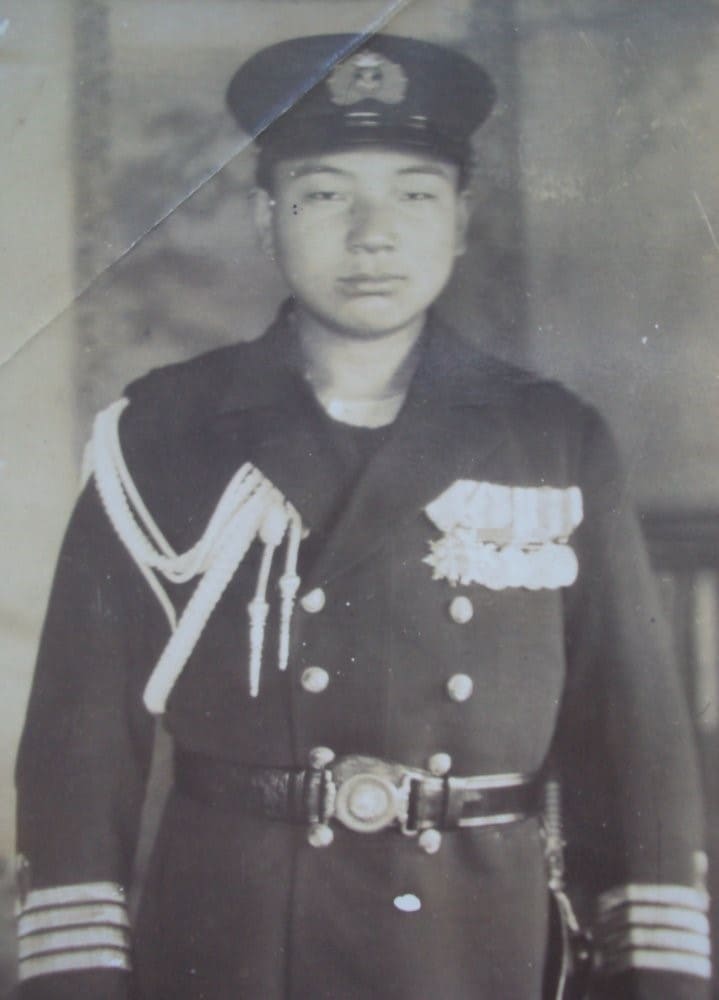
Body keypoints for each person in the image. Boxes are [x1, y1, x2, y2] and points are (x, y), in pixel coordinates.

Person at [14, 33, 711, 1000]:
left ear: (463, 220)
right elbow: (79, 747)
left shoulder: (552, 438)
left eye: (415, 195)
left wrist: (659, 972)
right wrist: (77, 975)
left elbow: (633, 742)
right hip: (230, 947)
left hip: (479, 947)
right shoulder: (164, 434)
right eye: (325, 193)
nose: (371, 233)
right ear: (265, 217)